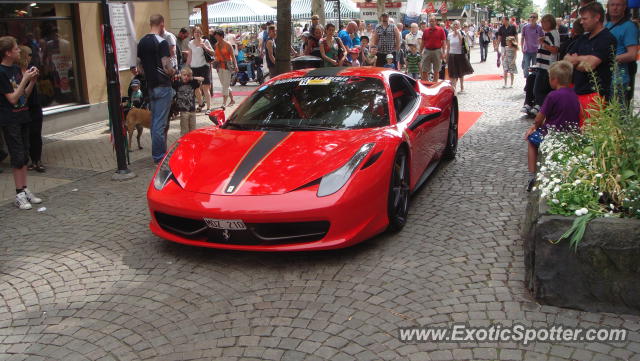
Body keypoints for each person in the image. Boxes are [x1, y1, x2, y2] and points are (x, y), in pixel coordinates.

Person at [0, 36, 42, 209]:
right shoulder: (1, 72)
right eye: (16, 48)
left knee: (24, 155)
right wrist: (25, 78)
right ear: (8, 52)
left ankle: (24, 190)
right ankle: (19, 194)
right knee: (17, 157)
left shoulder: (16, 69)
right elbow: (12, 98)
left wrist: (31, 81)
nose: (19, 51)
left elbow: (23, 97)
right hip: (10, 120)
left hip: (23, 116)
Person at [524, 61, 580, 191]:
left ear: (554, 80)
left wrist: (534, 127)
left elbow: (539, 118)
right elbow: (580, 112)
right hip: (571, 133)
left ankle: (532, 175)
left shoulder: (552, 96)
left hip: (551, 134)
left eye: (549, 78)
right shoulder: (574, 94)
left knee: (531, 141)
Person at [564, 1, 616, 125]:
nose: (581, 22)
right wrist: (582, 60)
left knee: (591, 136)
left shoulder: (607, 38)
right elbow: (566, 59)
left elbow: (589, 65)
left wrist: (576, 59)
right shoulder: (583, 38)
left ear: (597, 17)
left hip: (596, 96)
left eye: (584, 19)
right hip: (578, 92)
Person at [136, 14, 176, 164]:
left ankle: (159, 153)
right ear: (161, 24)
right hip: (163, 86)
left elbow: (139, 67)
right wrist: (173, 71)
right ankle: (159, 157)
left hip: (150, 86)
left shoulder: (141, 42)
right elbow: (167, 67)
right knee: (160, 123)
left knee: (155, 122)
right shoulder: (161, 42)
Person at [17, 45, 45, 173]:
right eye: (29, 55)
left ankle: (36, 160)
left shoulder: (31, 68)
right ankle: (25, 161)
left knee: (35, 134)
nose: (31, 57)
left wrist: (34, 79)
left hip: (34, 106)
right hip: (22, 108)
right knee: (24, 136)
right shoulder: (15, 72)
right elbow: (22, 95)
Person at [606, 0, 639, 104]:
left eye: (618, 5)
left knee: (619, 117)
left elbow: (632, 54)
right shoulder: (607, 25)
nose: (615, 8)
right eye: (612, 5)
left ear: (624, 7)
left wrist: (608, 59)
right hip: (607, 78)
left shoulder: (629, 26)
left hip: (619, 80)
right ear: (608, 6)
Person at [530, 14, 561, 116]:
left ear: (549, 23)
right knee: (541, 90)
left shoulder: (552, 34)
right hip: (543, 66)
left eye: (543, 22)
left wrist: (544, 44)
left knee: (538, 91)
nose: (541, 24)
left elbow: (555, 49)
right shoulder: (549, 34)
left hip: (546, 67)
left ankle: (545, 111)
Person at [186, 26, 214, 112]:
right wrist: (187, 66)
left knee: (206, 87)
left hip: (204, 66)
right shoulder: (190, 43)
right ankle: (201, 103)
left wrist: (205, 47)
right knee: (196, 88)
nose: (197, 34)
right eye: (195, 32)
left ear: (201, 33)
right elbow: (190, 55)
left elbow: (213, 52)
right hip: (194, 67)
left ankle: (209, 108)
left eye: (198, 32)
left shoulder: (205, 41)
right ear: (193, 34)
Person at [172, 68, 203, 136]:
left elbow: (201, 79)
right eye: (184, 75)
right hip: (183, 111)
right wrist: (179, 75)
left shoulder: (192, 83)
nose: (186, 77)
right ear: (181, 75)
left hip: (192, 110)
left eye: (188, 76)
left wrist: (192, 77)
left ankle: (192, 144)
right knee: (184, 130)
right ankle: (184, 143)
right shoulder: (177, 83)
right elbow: (170, 80)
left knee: (193, 130)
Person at [445, 21, 474, 93]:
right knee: (452, 72)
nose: (455, 26)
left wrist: (458, 33)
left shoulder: (462, 33)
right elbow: (448, 47)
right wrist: (447, 56)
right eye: (454, 25)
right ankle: (454, 88)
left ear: (459, 26)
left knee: (461, 72)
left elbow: (462, 43)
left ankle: (462, 87)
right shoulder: (450, 34)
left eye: (457, 25)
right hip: (452, 54)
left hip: (460, 54)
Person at [213, 29, 237, 107]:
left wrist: (235, 65)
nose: (216, 37)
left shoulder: (228, 44)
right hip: (219, 66)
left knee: (225, 85)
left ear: (221, 36)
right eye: (215, 36)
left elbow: (233, 56)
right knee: (224, 84)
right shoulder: (216, 45)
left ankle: (224, 102)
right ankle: (232, 100)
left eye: (217, 36)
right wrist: (215, 64)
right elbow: (216, 56)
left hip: (227, 66)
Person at [420, 15, 447, 81]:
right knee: (424, 70)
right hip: (427, 51)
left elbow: (444, 42)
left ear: (436, 21)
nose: (431, 22)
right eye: (430, 21)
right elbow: (423, 42)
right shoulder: (426, 30)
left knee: (436, 70)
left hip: (437, 51)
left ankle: (434, 84)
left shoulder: (440, 30)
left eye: (433, 21)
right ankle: (426, 84)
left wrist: (444, 52)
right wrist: (420, 51)